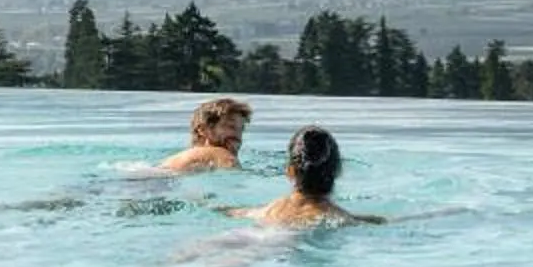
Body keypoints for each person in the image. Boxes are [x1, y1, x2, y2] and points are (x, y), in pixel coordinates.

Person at [226, 125, 382, 228]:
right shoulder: (340, 219)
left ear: (290, 171)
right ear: (338, 172)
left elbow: (229, 212)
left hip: (254, 234)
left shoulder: (264, 211)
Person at [157, 96, 253, 175]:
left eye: (241, 129)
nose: (237, 135)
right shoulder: (221, 154)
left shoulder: (177, 160)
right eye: (230, 126)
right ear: (203, 130)